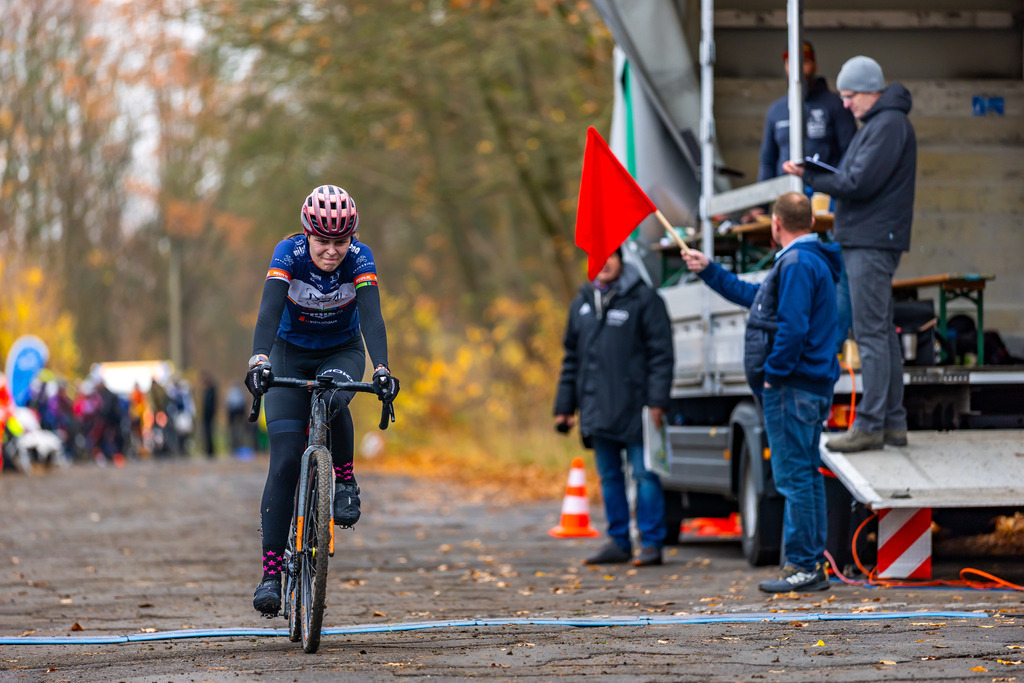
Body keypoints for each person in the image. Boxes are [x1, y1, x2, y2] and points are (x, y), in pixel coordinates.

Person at [245, 184, 399, 617]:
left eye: (340, 241)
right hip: (288, 350)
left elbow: (372, 317)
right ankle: (272, 573)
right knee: (285, 460)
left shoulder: (360, 259)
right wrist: (259, 358)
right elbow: (268, 312)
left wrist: (382, 367)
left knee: (335, 394)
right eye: (322, 241)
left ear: (351, 238)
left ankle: (344, 478)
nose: (331, 251)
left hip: (341, 349)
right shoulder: (288, 254)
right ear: (306, 234)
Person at [682, 192, 842, 592]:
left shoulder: (797, 263)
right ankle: (811, 566)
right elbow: (758, 301)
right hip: (806, 385)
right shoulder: (805, 261)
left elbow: (791, 328)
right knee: (805, 475)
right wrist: (710, 270)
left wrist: (773, 375)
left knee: (793, 479)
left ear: (776, 224)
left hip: (792, 387)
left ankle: (803, 566)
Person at [782, 55, 916, 453]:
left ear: (870, 90)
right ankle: (892, 422)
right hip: (873, 237)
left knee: (872, 333)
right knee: (881, 331)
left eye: (849, 95)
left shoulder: (888, 125)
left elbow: (858, 181)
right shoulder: (880, 124)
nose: (845, 104)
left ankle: (871, 424)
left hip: (871, 240)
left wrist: (810, 175)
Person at [554, 247, 674, 567]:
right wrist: (564, 406)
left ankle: (651, 543)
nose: (603, 263)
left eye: (610, 256)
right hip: (596, 409)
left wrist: (658, 402)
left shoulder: (645, 300)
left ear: (622, 261)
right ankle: (618, 542)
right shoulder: (581, 303)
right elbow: (571, 360)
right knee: (609, 477)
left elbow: (662, 355)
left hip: (638, 408)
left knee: (645, 475)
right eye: (597, 257)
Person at [745, 41, 856, 223]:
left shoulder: (837, 105)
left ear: (815, 66)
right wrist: (761, 206)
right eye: (791, 63)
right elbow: (768, 161)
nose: (797, 69)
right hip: (786, 198)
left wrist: (839, 190)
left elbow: (850, 152)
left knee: (826, 247)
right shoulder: (776, 110)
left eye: (804, 62)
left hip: (826, 199)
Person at [200, 371, 218, 459]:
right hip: (206, 415)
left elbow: (212, 403)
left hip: (210, 415)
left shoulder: (211, 390)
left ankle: (211, 450)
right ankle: (208, 450)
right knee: (206, 433)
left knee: (210, 432)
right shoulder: (206, 390)